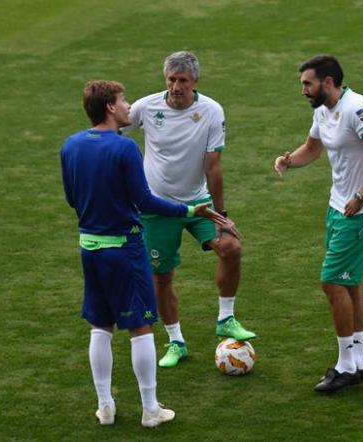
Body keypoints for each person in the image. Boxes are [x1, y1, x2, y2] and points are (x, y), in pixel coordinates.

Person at [60, 80, 227, 426]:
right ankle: (150, 410)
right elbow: (145, 200)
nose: (129, 107)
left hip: (89, 247)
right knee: (140, 328)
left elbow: (72, 199)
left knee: (100, 327)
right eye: (123, 101)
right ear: (110, 108)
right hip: (124, 248)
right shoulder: (123, 149)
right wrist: (190, 212)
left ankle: (105, 406)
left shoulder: (71, 145)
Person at [125, 51, 255, 369]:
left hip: (199, 203)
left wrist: (221, 215)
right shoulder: (145, 107)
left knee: (231, 247)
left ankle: (226, 318)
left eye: (182, 80)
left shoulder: (211, 111)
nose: (176, 86)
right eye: (171, 79)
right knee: (162, 276)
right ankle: (176, 341)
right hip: (158, 207)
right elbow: (114, 136)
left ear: (195, 81)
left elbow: (214, 167)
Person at [274, 55, 363, 393]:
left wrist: (359, 196)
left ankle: (345, 367)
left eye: (307, 84)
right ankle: (359, 361)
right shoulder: (322, 110)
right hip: (338, 207)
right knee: (349, 282)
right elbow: (312, 148)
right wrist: (288, 160)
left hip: (360, 210)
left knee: (332, 283)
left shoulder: (357, 108)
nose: (303, 91)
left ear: (328, 82)